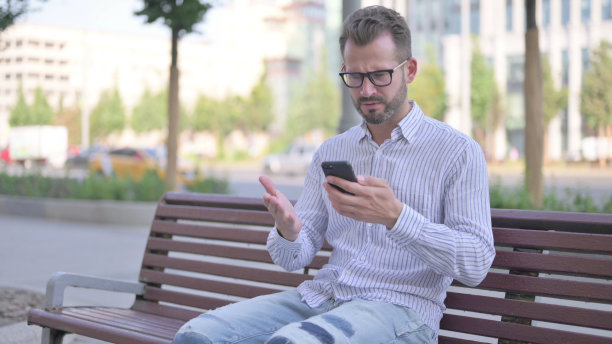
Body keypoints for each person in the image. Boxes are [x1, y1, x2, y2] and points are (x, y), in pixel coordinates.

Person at [172, 5, 494, 344]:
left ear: (410, 70)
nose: (366, 90)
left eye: (380, 75)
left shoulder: (458, 152)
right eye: (354, 77)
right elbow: (292, 259)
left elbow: (476, 263)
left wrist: (396, 217)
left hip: (400, 312)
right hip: (321, 299)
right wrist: (290, 231)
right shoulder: (331, 151)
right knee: (197, 336)